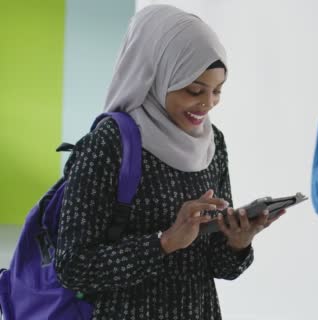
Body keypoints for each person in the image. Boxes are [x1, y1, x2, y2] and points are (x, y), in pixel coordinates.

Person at [54, 5, 282, 319]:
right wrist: (164, 242)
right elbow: (72, 267)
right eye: (194, 90)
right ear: (156, 75)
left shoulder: (213, 144)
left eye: (217, 91)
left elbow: (217, 266)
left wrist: (237, 242)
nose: (206, 104)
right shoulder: (109, 143)